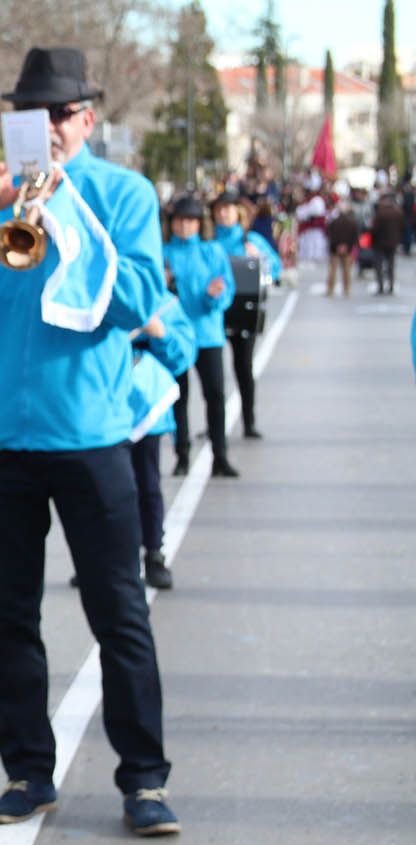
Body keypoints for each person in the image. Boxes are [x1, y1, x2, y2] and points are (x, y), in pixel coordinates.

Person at [0, 47, 180, 836]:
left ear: (87, 120)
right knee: (9, 621)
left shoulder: (122, 194)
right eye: (30, 114)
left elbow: (136, 300)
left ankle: (144, 778)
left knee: (118, 612)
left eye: (60, 113)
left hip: (90, 434)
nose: (46, 126)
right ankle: (28, 770)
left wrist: (70, 225)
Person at [164, 195, 238, 479]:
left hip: (208, 334)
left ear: (199, 224)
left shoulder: (212, 251)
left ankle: (220, 455)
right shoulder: (164, 252)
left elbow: (226, 289)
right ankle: (181, 454)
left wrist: (214, 297)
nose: (185, 226)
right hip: (175, 335)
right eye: (180, 221)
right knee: (179, 398)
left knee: (215, 395)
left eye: (191, 221)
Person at [126, 300, 197, 590]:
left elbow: (182, 357)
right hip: (100, 412)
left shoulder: (162, 302)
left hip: (145, 410)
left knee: (148, 485)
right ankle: (105, 556)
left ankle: (154, 553)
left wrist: (159, 333)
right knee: (101, 491)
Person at [210, 191, 278, 440]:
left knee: (243, 368)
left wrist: (260, 259)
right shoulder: (209, 242)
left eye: (228, 208)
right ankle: (214, 425)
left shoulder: (252, 239)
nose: (223, 213)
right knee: (213, 376)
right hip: (214, 312)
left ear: (238, 212)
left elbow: (276, 269)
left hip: (244, 312)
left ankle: (249, 421)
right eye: (219, 209)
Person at [370, 192, 402, 295]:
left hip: (379, 243)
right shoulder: (398, 213)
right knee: (391, 265)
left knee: (379, 265)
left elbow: (374, 229)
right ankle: (391, 285)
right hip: (393, 242)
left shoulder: (380, 213)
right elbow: (402, 227)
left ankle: (381, 286)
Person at [325, 199, 358, 297]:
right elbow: (354, 237)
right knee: (347, 271)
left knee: (333, 270)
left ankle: (330, 289)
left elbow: (330, 235)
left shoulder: (333, 221)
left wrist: (337, 246)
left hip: (335, 249)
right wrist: (347, 246)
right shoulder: (352, 222)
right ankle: (346, 289)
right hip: (347, 249)